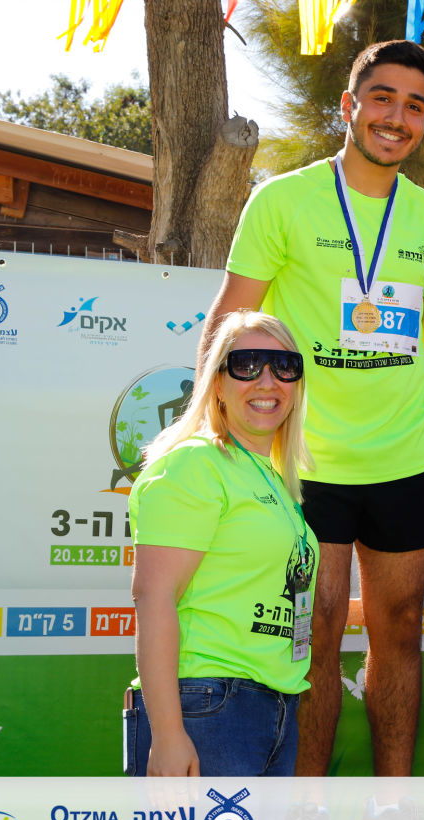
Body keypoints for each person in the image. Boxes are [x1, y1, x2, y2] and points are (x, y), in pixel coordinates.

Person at [199, 39, 424, 778]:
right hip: (303, 462)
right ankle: (304, 815)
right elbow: (230, 318)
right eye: (382, 98)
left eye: (414, 106)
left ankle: (393, 810)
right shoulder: (282, 200)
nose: (397, 118)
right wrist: (208, 424)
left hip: (403, 460)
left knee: (401, 632)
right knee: (314, 634)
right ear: (349, 105)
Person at [128, 310, 318, 776]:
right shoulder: (195, 464)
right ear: (216, 383)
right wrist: (168, 735)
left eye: (284, 366)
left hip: (273, 708)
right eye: (247, 364)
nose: (267, 381)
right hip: (207, 706)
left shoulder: (274, 480)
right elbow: (154, 596)